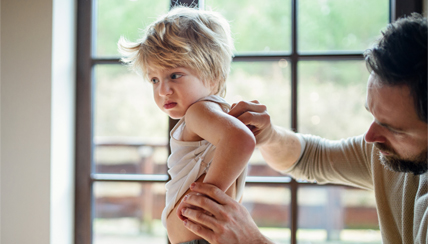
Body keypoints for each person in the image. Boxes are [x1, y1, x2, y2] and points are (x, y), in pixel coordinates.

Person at [179, 13, 428, 244]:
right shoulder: (388, 152)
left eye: (394, 129)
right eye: (371, 115)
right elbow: (311, 157)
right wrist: (270, 136)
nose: (370, 137)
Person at [118, 6, 255, 244]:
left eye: (175, 75)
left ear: (213, 77)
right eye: (154, 79)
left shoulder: (198, 112)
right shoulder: (212, 115)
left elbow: (241, 140)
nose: (163, 90)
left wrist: (204, 203)